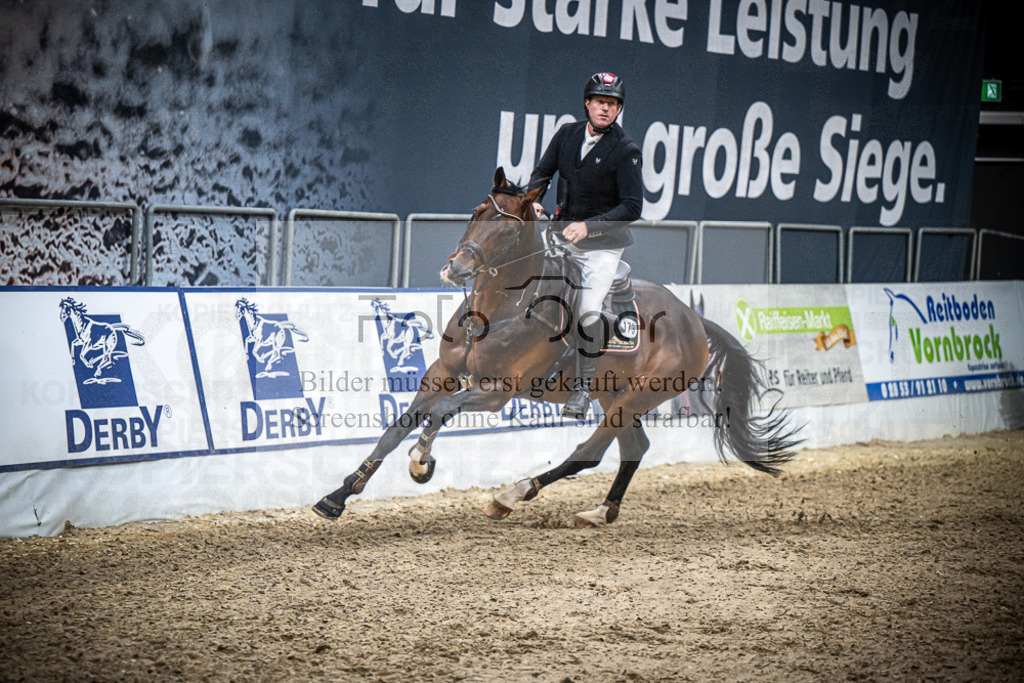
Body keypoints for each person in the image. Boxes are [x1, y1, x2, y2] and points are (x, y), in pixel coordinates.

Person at [527, 72, 643, 421]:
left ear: (618, 109)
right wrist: (534, 199)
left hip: (602, 247)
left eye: (612, 104)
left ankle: (580, 392)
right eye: (600, 102)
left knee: (588, 309)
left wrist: (589, 227)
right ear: (587, 103)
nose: (605, 109)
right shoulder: (567, 134)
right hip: (562, 235)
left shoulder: (625, 150)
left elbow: (632, 207)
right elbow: (542, 172)